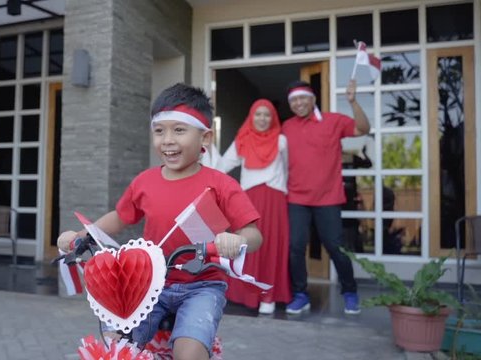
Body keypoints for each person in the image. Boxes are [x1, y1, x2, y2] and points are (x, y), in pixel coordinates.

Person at [58, 83, 262, 360]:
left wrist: (236, 240)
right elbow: (120, 217)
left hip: (202, 285)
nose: (167, 140)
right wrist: (80, 235)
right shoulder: (145, 182)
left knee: (188, 353)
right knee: (117, 343)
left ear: (206, 137)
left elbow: (254, 234)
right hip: (151, 283)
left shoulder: (220, 184)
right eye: (159, 131)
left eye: (179, 130)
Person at [282, 79, 370, 315]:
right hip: (296, 198)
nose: (298, 103)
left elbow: (363, 129)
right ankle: (300, 294)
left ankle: (350, 291)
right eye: (293, 100)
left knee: (335, 247)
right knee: (296, 246)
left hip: (328, 198)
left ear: (313, 100)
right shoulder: (286, 127)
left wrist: (353, 102)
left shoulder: (333, 121)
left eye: (303, 98)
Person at [205, 99, 291, 315]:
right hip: (248, 201)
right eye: (258, 114)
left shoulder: (281, 141)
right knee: (248, 246)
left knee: (272, 246)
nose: (262, 119)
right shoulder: (242, 139)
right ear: (251, 117)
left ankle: (269, 295)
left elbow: (288, 170)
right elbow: (221, 167)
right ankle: (247, 295)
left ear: (273, 118)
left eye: (267, 115)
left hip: (275, 200)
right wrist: (206, 148)